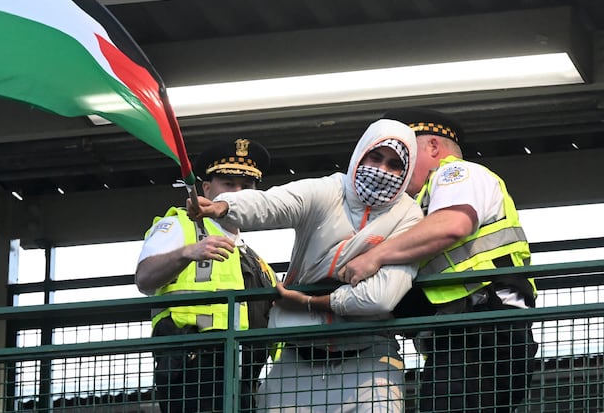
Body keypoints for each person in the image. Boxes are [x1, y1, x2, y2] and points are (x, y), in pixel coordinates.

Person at [189, 119, 424, 413]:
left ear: (406, 171)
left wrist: (309, 302)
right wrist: (225, 207)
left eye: (394, 165)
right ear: (360, 154)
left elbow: (380, 298)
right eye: (375, 157)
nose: (381, 170)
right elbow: (274, 203)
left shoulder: (410, 217)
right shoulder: (328, 190)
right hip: (295, 360)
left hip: (370, 362)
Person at [339, 108, 538, 412]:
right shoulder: (418, 203)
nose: (398, 167)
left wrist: (375, 257)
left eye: (405, 152)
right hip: (469, 334)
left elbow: (454, 225)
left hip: (480, 329)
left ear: (432, 147)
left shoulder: (456, 173)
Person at [135, 138, 278, 413]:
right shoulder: (180, 225)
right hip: (192, 368)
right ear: (206, 188)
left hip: (245, 377)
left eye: (247, 187)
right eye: (228, 184)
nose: (238, 193)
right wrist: (187, 252)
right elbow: (144, 277)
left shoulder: (258, 262)